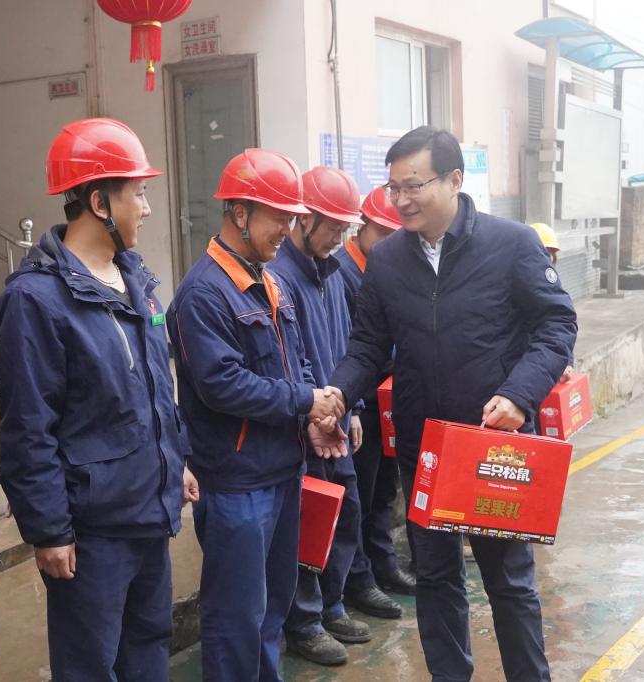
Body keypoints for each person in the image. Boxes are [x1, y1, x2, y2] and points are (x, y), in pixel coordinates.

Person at [322, 126, 577, 682]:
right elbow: (367, 347)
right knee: (436, 579)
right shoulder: (388, 261)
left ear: (455, 179)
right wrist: (338, 393)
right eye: (393, 188)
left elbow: (557, 324)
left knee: (509, 583)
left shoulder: (511, 245)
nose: (402, 200)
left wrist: (519, 395)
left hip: (495, 448)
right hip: (427, 451)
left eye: (414, 185)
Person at [0, 117, 197, 681]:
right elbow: (28, 428)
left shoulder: (134, 279)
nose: (147, 208)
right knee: (90, 665)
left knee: (148, 648)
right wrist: (49, 530)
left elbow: (154, 391)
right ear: (100, 201)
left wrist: (175, 462)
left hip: (148, 513)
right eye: (139, 193)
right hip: (93, 532)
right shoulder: (37, 299)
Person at [167, 149, 345, 681]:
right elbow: (222, 385)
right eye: (278, 217)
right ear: (240, 212)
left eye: (292, 217)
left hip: (283, 471)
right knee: (236, 617)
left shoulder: (270, 281)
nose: (286, 229)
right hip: (237, 482)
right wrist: (304, 402)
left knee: (273, 608)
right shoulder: (203, 293)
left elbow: (298, 360)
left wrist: (314, 414)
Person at [270, 166, 401, 667]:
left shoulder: (328, 273)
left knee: (344, 514)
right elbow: (291, 357)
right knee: (310, 523)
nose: (338, 238)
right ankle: (305, 621)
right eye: (332, 227)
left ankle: (332, 604)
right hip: (306, 425)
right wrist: (312, 411)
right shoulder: (282, 277)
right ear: (304, 219)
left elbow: (350, 348)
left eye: (346, 228)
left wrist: (355, 407)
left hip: (338, 419)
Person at [338, 186, 418, 606]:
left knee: (386, 486)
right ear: (363, 226)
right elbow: (351, 343)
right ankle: (359, 578)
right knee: (361, 493)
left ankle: (383, 563)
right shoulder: (342, 272)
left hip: (389, 397)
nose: (389, 242)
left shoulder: (388, 268)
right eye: (382, 232)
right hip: (361, 400)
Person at [530, 222, 576, 383]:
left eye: (549, 254)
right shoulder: (518, 289)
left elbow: (560, 328)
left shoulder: (552, 287)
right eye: (543, 252)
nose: (546, 259)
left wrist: (566, 362)